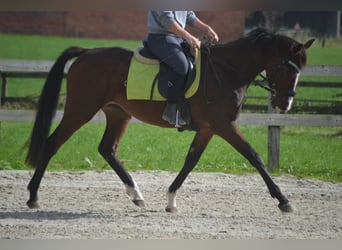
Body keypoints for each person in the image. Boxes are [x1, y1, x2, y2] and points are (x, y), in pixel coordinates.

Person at [146, 11, 219, 127]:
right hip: (160, 38)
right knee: (181, 66)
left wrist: (207, 29)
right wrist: (188, 36)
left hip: (178, 38)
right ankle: (170, 109)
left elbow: (189, 16)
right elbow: (167, 20)